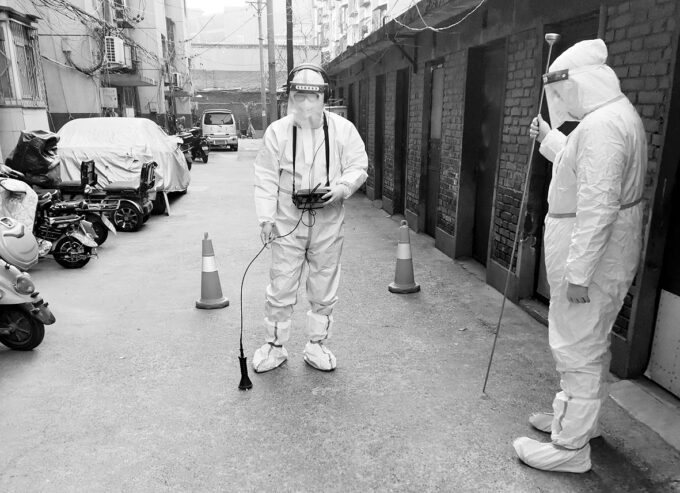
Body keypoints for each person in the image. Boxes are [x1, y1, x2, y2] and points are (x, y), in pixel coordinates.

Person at [513, 39, 647, 472]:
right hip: (600, 255)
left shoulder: (603, 126)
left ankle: (570, 448)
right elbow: (579, 165)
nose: (562, 100)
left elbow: (598, 205)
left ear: (581, 84)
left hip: (593, 259)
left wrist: (578, 274)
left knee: (577, 345)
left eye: (562, 91)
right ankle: (578, 423)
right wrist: (549, 138)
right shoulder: (607, 119)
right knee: (589, 340)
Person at [252, 63, 368, 373]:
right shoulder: (277, 131)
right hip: (286, 220)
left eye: (312, 97)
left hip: (328, 219)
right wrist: (266, 218)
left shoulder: (343, 130)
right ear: (290, 97)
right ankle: (274, 346)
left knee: (324, 283)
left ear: (323, 97)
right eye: (299, 97)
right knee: (281, 283)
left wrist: (343, 188)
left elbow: (358, 165)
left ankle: (317, 344)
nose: (305, 104)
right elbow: (265, 176)